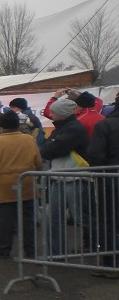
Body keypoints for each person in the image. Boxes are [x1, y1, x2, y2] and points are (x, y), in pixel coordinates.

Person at [0, 110, 41, 260]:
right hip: (27, 183)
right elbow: (37, 162)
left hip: (2, 186)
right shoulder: (28, 140)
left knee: (5, 220)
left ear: (1, 126)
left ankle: (5, 248)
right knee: (28, 220)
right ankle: (30, 250)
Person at [40, 97, 89, 256]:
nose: (50, 114)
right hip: (59, 177)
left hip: (74, 178)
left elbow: (53, 149)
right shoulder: (62, 128)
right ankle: (56, 253)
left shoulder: (74, 129)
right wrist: (51, 145)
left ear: (62, 113)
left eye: (53, 111)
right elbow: (48, 148)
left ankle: (101, 251)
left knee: (83, 217)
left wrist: (51, 145)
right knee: (53, 218)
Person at [87, 98, 119, 275]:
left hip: (109, 179)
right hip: (111, 176)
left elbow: (95, 154)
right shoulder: (105, 124)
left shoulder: (105, 125)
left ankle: (110, 263)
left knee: (108, 220)